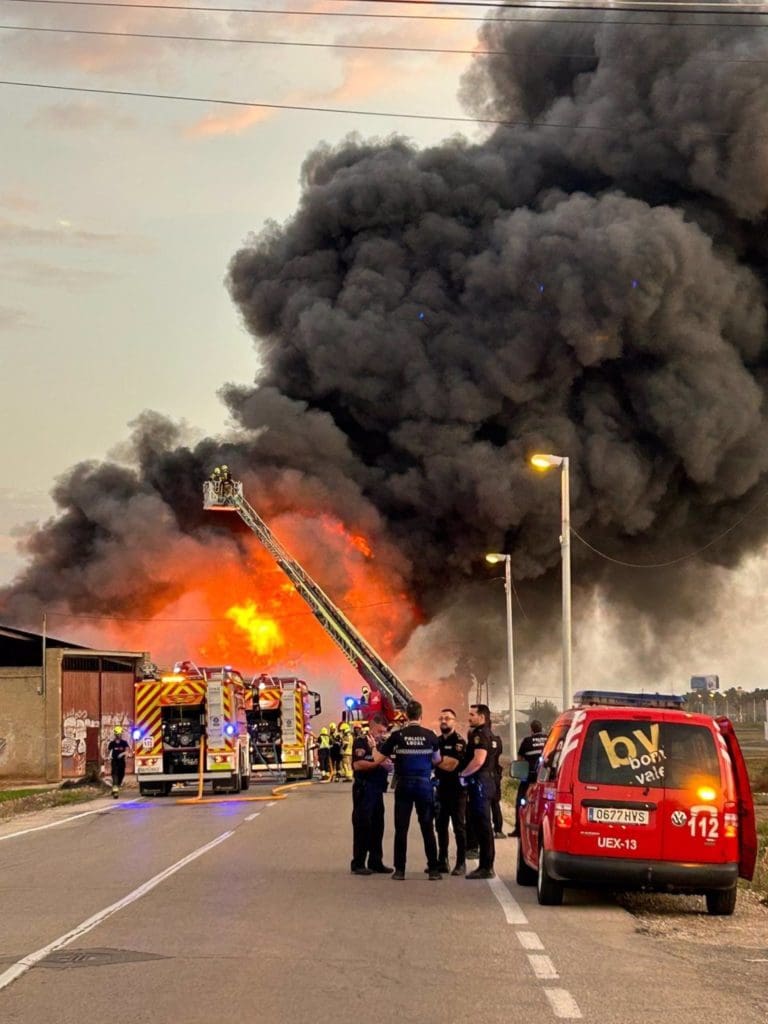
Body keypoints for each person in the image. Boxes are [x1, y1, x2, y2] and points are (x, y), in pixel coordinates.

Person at [372, 699, 442, 880]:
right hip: (424, 785)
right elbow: (437, 760)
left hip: (404, 785)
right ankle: (433, 870)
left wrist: (373, 747)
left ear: (406, 716)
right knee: (427, 827)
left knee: (401, 828)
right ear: (421, 715)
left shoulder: (397, 736)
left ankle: (400, 871)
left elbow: (378, 759)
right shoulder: (431, 735)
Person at [459, 704, 498, 879]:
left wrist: (463, 774)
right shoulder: (491, 734)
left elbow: (478, 760)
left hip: (480, 783)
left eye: (472, 714)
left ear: (482, 717)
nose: (469, 717)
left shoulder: (479, 735)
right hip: (488, 782)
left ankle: (486, 866)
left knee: (482, 825)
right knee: (483, 825)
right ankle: (486, 864)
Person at [350, 714, 392, 875]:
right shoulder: (361, 742)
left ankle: (376, 861)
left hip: (378, 790)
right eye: (380, 731)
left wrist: (382, 763)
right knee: (362, 826)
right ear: (372, 727)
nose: (382, 735)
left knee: (377, 826)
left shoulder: (382, 745)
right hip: (364, 789)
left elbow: (389, 765)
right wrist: (378, 762)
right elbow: (359, 765)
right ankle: (358, 863)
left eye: (384, 732)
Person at [434, 708, 469, 876]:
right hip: (440, 789)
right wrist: (439, 761)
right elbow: (440, 762)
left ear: (454, 721)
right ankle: (443, 860)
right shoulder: (437, 741)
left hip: (457, 790)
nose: (443, 721)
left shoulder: (459, 742)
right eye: (441, 718)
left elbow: (451, 765)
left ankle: (461, 863)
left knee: (458, 827)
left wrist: (434, 760)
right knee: (440, 826)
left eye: (447, 718)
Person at [509, 719, 547, 837]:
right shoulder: (548, 739)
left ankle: (518, 829)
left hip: (530, 777)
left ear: (531, 730)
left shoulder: (527, 741)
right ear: (542, 729)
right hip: (545, 777)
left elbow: (520, 760)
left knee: (520, 801)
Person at [490, 727, 506, 839]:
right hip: (495, 774)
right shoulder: (497, 740)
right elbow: (499, 754)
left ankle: (484, 829)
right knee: (495, 803)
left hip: (484, 775)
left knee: (482, 804)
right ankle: (498, 830)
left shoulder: (479, 738)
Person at [107, 726, 130, 798]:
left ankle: (116, 787)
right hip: (114, 762)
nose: (119, 735)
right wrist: (109, 757)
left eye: (120, 734)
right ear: (115, 734)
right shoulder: (112, 743)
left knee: (121, 775)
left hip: (122, 762)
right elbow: (109, 751)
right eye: (118, 734)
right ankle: (115, 792)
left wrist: (122, 754)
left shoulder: (124, 743)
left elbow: (127, 751)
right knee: (115, 776)